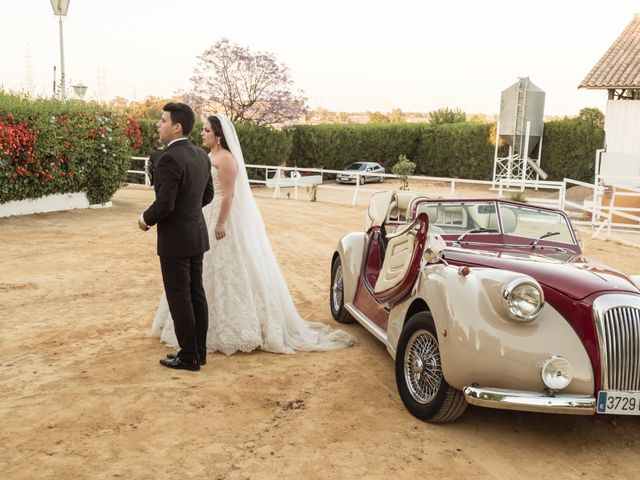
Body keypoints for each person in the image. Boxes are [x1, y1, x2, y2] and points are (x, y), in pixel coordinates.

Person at [152, 114, 356, 355]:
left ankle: (234, 327)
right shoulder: (207, 156)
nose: (203, 134)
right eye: (203, 129)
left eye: (207, 130)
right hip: (204, 215)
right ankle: (197, 330)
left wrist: (220, 223)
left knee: (228, 270)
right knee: (203, 273)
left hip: (222, 217)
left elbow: (229, 195)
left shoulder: (226, 159)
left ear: (218, 135)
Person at [139, 103, 214, 371]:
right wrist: (188, 212)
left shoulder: (170, 158)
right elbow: (207, 196)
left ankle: (188, 356)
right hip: (196, 235)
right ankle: (199, 352)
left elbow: (165, 205)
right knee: (196, 294)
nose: (159, 125)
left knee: (179, 297)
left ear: (177, 126)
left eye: (162, 120)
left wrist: (144, 219)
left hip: (175, 240)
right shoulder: (200, 155)